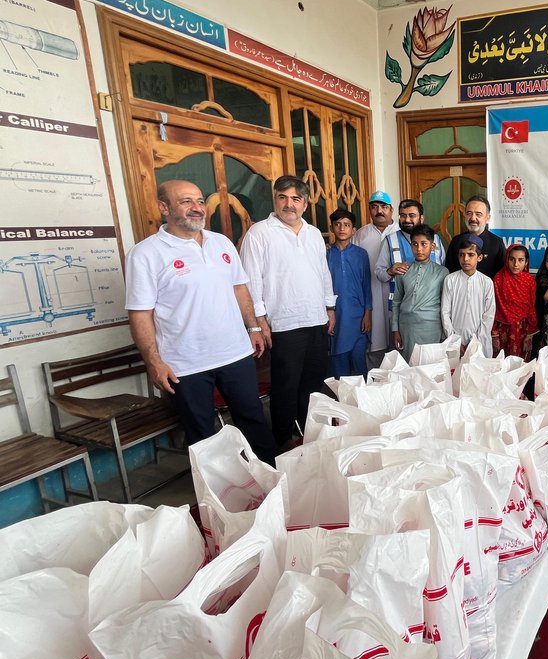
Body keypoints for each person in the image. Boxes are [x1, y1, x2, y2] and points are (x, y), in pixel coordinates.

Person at [125, 180, 277, 464]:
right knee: (203, 437)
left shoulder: (221, 242)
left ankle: (272, 478)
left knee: (254, 421)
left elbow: (239, 288)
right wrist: (153, 361)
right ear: (163, 208)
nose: (197, 208)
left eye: (199, 201)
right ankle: (215, 490)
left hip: (235, 353)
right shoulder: (146, 253)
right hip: (186, 364)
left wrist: (253, 327)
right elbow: (140, 314)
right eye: (186, 201)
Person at [240, 175, 335, 446]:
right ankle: (282, 442)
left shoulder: (313, 233)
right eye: (282, 198)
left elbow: (323, 273)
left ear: (305, 203)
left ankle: (309, 437)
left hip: (316, 319)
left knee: (313, 384)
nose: (289, 204)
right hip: (282, 323)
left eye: (295, 199)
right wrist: (259, 321)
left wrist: (329, 308)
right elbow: (250, 281)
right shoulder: (259, 233)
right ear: (275, 200)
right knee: (286, 386)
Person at [375, 199, 444, 342]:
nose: (407, 220)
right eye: (403, 215)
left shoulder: (435, 239)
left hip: (432, 318)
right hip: (402, 312)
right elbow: (379, 273)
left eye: (412, 215)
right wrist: (390, 271)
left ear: (421, 218)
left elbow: (443, 269)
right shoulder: (390, 240)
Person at [353, 190, 397, 370]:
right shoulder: (361, 235)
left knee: (397, 345)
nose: (379, 211)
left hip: (397, 298)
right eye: (374, 207)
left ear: (391, 210)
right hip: (371, 298)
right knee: (374, 346)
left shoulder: (400, 232)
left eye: (383, 207)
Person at [391, 223, 448, 362]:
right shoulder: (403, 269)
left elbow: (446, 305)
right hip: (407, 327)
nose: (419, 249)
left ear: (432, 246)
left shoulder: (442, 272)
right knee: (410, 365)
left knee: (430, 365)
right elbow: (397, 301)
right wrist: (395, 329)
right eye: (415, 244)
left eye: (424, 244)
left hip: (431, 327)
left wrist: (444, 333)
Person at [326, 208, 371, 378]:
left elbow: (366, 285)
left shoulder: (361, 255)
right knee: (339, 363)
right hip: (335, 316)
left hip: (357, 316)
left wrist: (368, 313)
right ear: (331, 228)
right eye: (337, 224)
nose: (342, 228)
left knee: (359, 363)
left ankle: (362, 394)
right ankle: (342, 394)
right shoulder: (326, 254)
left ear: (353, 230)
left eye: (346, 225)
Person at [441, 235, 496, 357]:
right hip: (454, 341)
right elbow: (445, 313)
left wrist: (475, 342)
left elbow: (489, 315)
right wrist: (455, 341)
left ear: (479, 257)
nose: (465, 259)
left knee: (478, 368)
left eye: (470, 255)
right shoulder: (450, 280)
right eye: (462, 254)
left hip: (480, 341)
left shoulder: (486, 282)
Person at [492, 244, 538, 359]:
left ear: (526, 262)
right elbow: (493, 307)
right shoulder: (499, 278)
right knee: (500, 363)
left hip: (522, 330)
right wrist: (494, 334)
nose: (516, 264)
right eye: (512, 259)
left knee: (520, 364)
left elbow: (531, 308)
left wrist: (529, 334)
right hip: (502, 329)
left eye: (520, 260)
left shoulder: (529, 281)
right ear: (506, 259)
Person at [444, 195, 507, 279]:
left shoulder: (497, 243)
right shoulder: (456, 241)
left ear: (487, 218)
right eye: (469, 213)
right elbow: (449, 271)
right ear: (464, 215)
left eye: (478, 214)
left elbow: (502, 276)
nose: (473, 218)